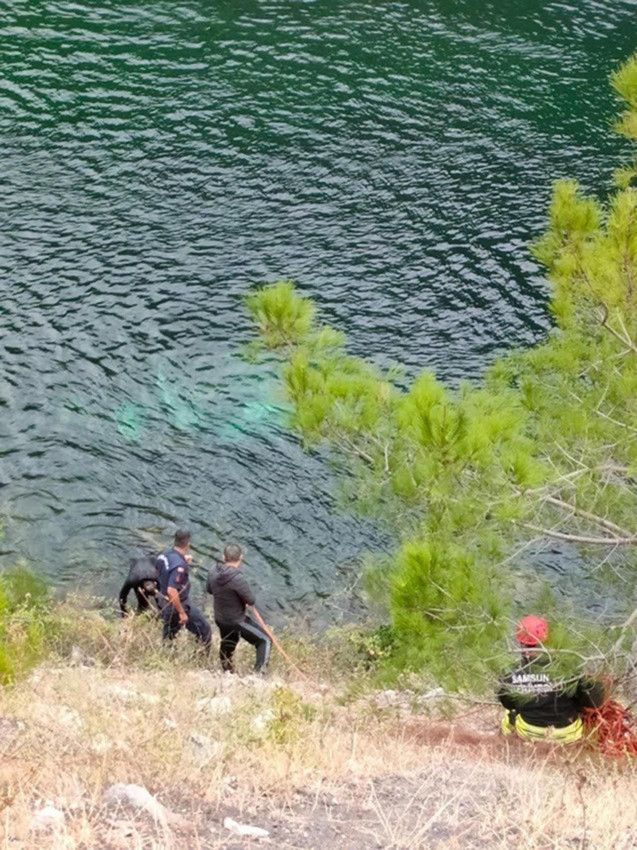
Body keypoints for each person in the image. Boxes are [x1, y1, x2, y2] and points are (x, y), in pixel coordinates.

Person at [497, 614, 604, 744]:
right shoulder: (567, 669)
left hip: (529, 732)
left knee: (508, 714)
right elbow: (595, 701)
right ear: (547, 640)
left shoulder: (512, 673)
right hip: (567, 735)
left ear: (520, 641)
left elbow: (508, 703)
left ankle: (509, 743)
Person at [206, 543, 271, 673]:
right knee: (265, 640)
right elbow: (251, 600)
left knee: (229, 642)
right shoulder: (237, 578)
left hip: (220, 619)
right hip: (237, 621)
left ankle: (227, 671)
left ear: (224, 557)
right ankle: (259, 675)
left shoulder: (213, 571)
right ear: (240, 558)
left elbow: (209, 589)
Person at [156, 530, 211, 651]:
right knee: (205, 630)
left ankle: (165, 653)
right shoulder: (179, 566)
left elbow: (163, 569)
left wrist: (182, 560)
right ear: (188, 544)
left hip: (162, 600)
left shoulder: (163, 554)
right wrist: (181, 612)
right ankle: (201, 658)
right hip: (177, 605)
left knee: (169, 634)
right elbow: (171, 590)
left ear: (175, 540)